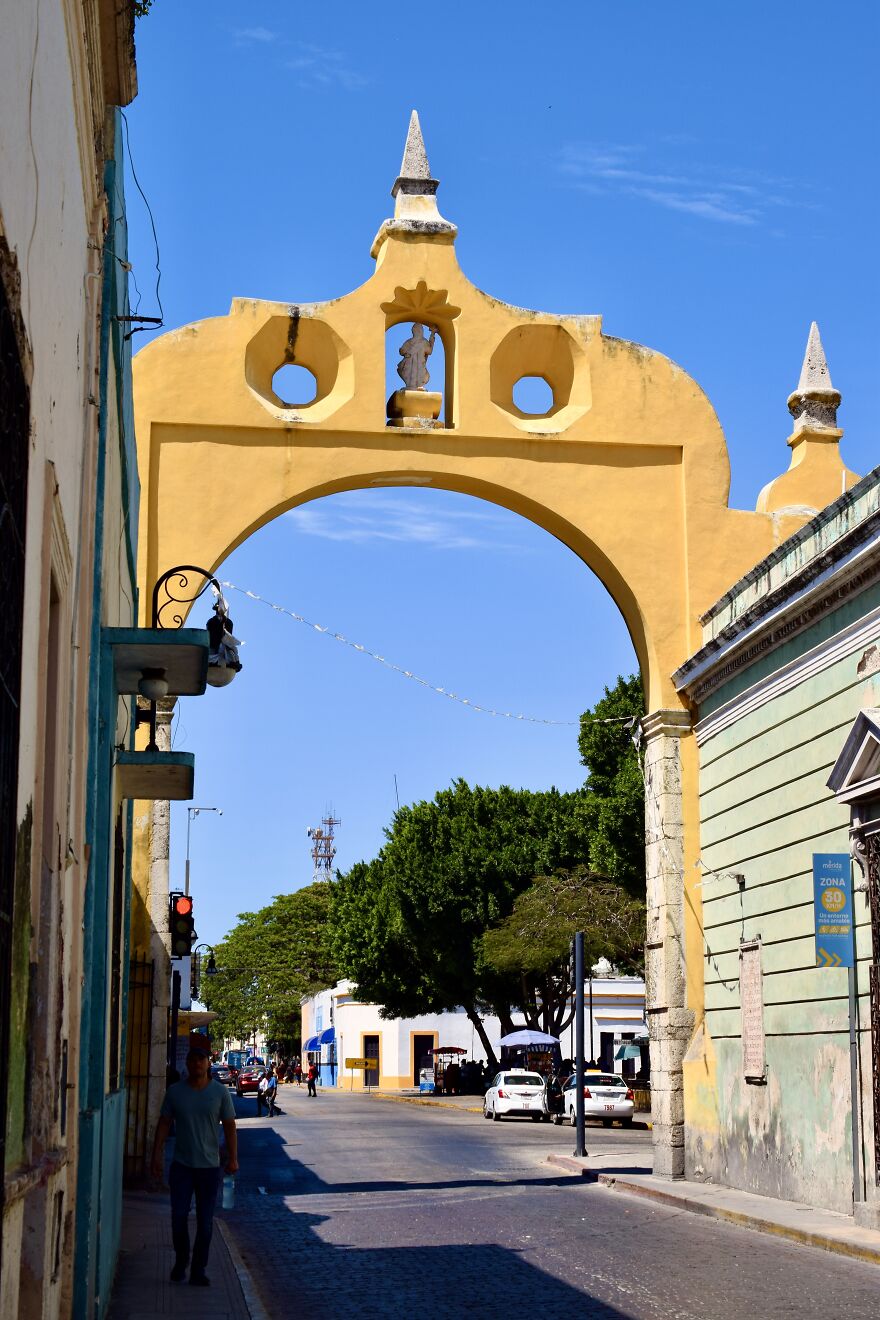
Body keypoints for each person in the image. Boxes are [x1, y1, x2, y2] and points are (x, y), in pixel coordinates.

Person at [151, 1044, 238, 1288]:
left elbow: (230, 1127)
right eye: (193, 1060)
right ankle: (181, 1260)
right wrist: (156, 1156)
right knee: (178, 1216)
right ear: (187, 1064)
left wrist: (233, 1158)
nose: (197, 1064)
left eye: (201, 1060)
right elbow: (164, 1124)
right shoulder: (175, 1092)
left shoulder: (220, 1093)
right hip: (182, 1167)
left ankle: (198, 1269)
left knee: (205, 1221)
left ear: (208, 1064)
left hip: (210, 1168)